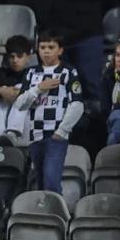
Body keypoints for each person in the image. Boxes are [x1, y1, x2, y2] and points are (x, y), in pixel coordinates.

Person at [14, 29, 83, 196]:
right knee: (41, 182)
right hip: (35, 134)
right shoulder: (31, 73)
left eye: (51, 47)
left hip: (55, 134)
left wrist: (62, 131)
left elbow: (77, 104)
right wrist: (38, 89)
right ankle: (44, 218)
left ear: (60, 50)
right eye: (42, 47)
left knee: (51, 181)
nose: (45, 51)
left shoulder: (68, 72)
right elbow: (20, 104)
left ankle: (57, 218)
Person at [0, 34, 33, 142]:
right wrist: (0, 91)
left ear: (28, 57)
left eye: (19, 56)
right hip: (1, 123)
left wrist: (21, 93)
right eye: (12, 57)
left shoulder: (34, 74)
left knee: (21, 89)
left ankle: (13, 132)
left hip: (26, 125)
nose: (15, 60)